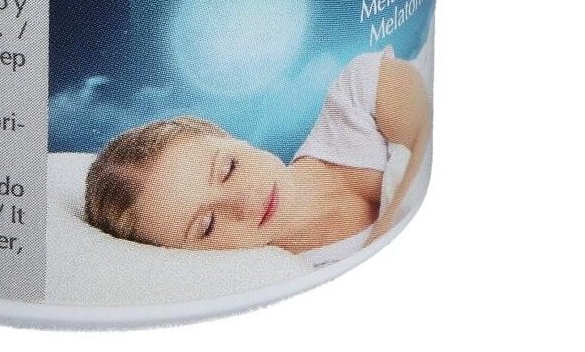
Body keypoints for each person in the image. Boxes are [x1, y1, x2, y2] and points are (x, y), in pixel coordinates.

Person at [84, 49, 430, 256]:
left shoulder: (356, 94)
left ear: (233, 138)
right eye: (207, 225)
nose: (246, 203)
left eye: (228, 169)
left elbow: (431, 126)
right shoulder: (299, 279)